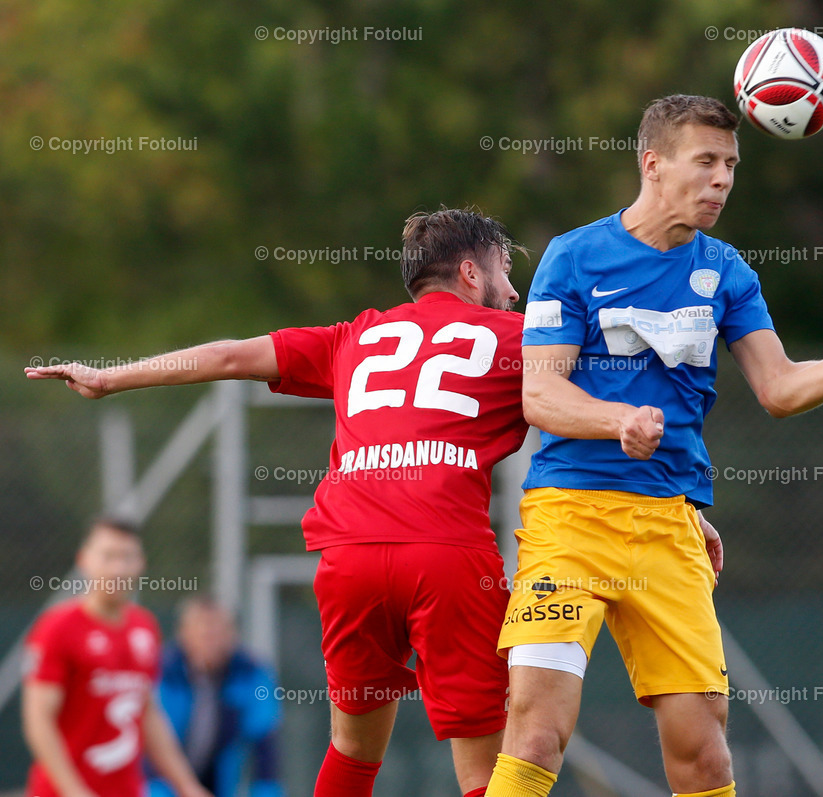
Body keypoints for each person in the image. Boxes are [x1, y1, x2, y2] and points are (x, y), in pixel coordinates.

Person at [26, 207, 530, 797]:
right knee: (484, 761)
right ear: (470, 273)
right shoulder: (517, 338)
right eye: (503, 270)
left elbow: (229, 356)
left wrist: (111, 378)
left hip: (350, 561)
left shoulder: (355, 336)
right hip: (448, 558)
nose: (515, 289)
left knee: (353, 749)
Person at [484, 94, 823, 797]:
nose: (722, 180)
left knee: (705, 756)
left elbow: (777, 387)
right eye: (705, 161)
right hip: (568, 523)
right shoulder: (574, 256)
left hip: (668, 528)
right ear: (653, 165)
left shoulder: (727, 271)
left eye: (731, 165)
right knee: (534, 733)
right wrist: (618, 419)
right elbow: (541, 395)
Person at [22, 518, 212, 797]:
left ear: (142, 563)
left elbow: (146, 712)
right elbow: (38, 719)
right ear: (84, 560)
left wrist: (186, 784)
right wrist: (74, 791)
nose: (119, 568)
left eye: (128, 557)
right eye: (108, 556)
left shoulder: (145, 627)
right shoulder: (57, 628)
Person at [147, 596, 282, 797]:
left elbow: (264, 743)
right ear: (183, 634)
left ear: (233, 634)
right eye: (202, 633)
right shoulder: (159, 671)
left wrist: (267, 792)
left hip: (218, 781)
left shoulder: (251, 674)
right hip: (158, 780)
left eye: (218, 632)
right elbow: (150, 742)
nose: (210, 640)